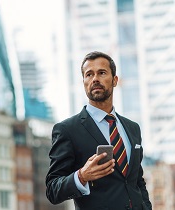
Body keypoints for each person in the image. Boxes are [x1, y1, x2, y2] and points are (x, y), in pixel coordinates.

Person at [45, 51, 152, 210]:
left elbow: (136, 180)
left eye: (101, 73)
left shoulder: (132, 128)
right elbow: (53, 190)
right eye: (89, 74)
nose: (95, 79)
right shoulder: (67, 130)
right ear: (84, 82)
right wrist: (81, 176)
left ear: (115, 80)